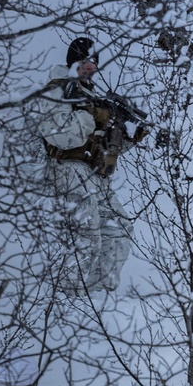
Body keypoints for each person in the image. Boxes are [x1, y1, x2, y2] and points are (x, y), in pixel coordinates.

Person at [34, 36, 146, 294]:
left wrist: (132, 132)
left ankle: (98, 296)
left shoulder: (94, 97)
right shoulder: (59, 90)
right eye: (84, 61)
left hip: (96, 175)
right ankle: (65, 297)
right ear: (73, 61)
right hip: (68, 169)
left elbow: (105, 146)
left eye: (93, 62)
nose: (89, 66)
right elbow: (61, 137)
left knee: (119, 230)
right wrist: (89, 114)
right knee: (85, 235)